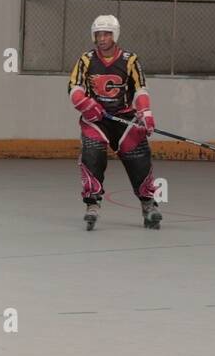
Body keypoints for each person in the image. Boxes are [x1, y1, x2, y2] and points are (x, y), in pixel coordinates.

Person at [69, 15, 161, 230]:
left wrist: (145, 112)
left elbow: (140, 89)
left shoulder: (130, 60)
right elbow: (74, 87)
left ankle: (148, 205)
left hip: (125, 119)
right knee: (92, 154)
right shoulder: (86, 60)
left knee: (139, 158)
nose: (102, 38)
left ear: (115, 35)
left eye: (106, 34)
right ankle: (92, 204)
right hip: (96, 120)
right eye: (98, 34)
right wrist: (84, 103)